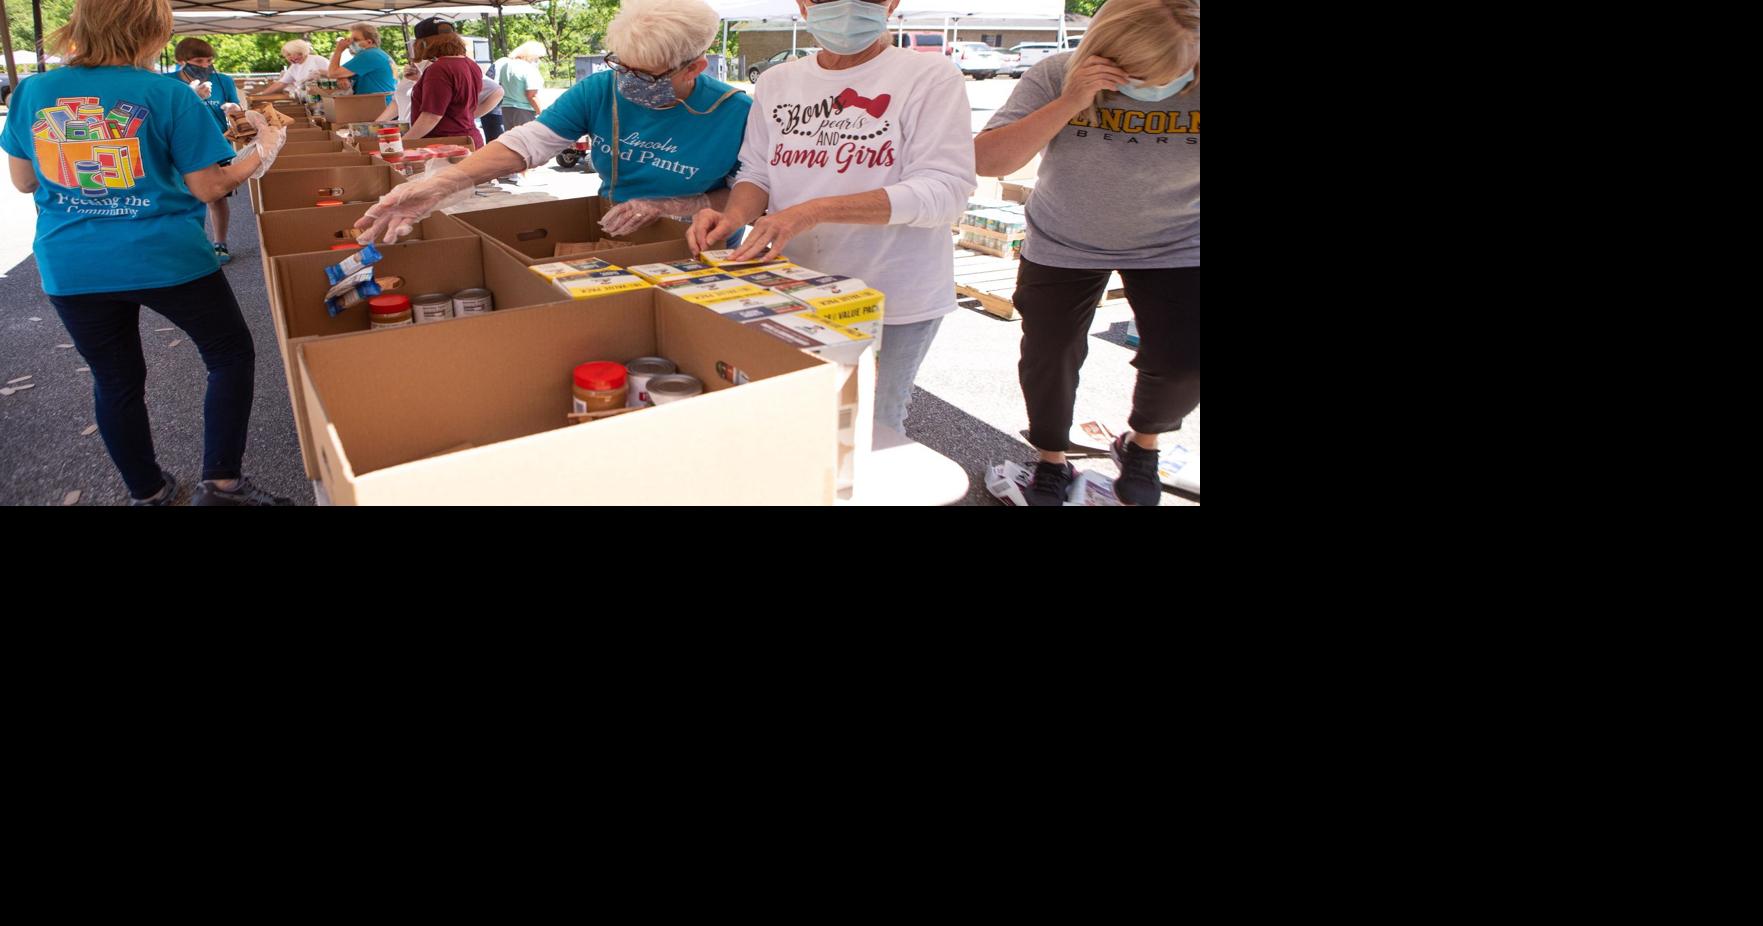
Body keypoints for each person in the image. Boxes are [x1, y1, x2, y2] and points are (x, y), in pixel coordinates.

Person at [1, 0, 292, 506]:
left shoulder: (33, 91)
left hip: (72, 261)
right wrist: (264, 147)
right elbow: (209, 186)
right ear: (153, 32)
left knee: (115, 380)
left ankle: (148, 492)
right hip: (166, 256)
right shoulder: (167, 93)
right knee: (228, 355)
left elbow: (24, 181)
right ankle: (222, 484)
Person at [686, 0, 976, 434]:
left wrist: (814, 211)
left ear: (892, 3)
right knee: (796, 417)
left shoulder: (929, 76)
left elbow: (946, 191)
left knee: (869, 427)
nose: (846, 6)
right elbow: (757, 173)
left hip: (891, 295)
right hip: (790, 284)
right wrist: (733, 217)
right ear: (804, 5)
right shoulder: (778, 81)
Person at [974, 0, 1200, 506]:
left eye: (1174, 76)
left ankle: (1142, 444)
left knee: (1186, 359)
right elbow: (988, 161)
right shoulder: (1057, 73)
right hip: (1065, 237)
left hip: (1177, 239)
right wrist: (1070, 101)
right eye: (1141, 77)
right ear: (1105, 53)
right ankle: (1051, 457)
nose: (1157, 88)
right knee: (1050, 354)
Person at [358, 0, 752, 245]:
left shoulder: (735, 112)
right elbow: (529, 142)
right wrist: (441, 184)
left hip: (704, 241)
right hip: (620, 232)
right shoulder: (601, 89)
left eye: (645, 75)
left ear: (694, 67)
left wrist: (671, 205)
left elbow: (751, 194)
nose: (627, 82)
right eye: (621, 66)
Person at [169, 37, 239, 265]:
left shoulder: (223, 80)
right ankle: (188, 244)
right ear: (182, 61)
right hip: (178, 145)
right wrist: (192, 97)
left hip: (215, 144)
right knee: (181, 196)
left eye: (209, 60)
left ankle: (220, 243)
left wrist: (233, 108)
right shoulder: (168, 82)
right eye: (199, 61)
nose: (205, 65)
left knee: (216, 196)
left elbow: (237, 107)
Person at [322, 24, 397, 108]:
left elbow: (332, 73)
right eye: (350, 39)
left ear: (369, 42)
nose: (350, 43)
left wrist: (338, 50)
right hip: (385, 104)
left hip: (378, 107)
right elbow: (343, 73)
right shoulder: (379, 54)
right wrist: (343, 77)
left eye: (355, 40)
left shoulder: (369, 55)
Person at [258, 39, 326, 98]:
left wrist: (321, 73)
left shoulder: (317, 60)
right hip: (309, 98)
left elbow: (331, 74)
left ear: (301, 52)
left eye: (291, 54)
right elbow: (281, 83)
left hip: (324, 97)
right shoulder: (294, 67)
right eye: (287, 55)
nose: (290, 58)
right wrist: (261, 94)